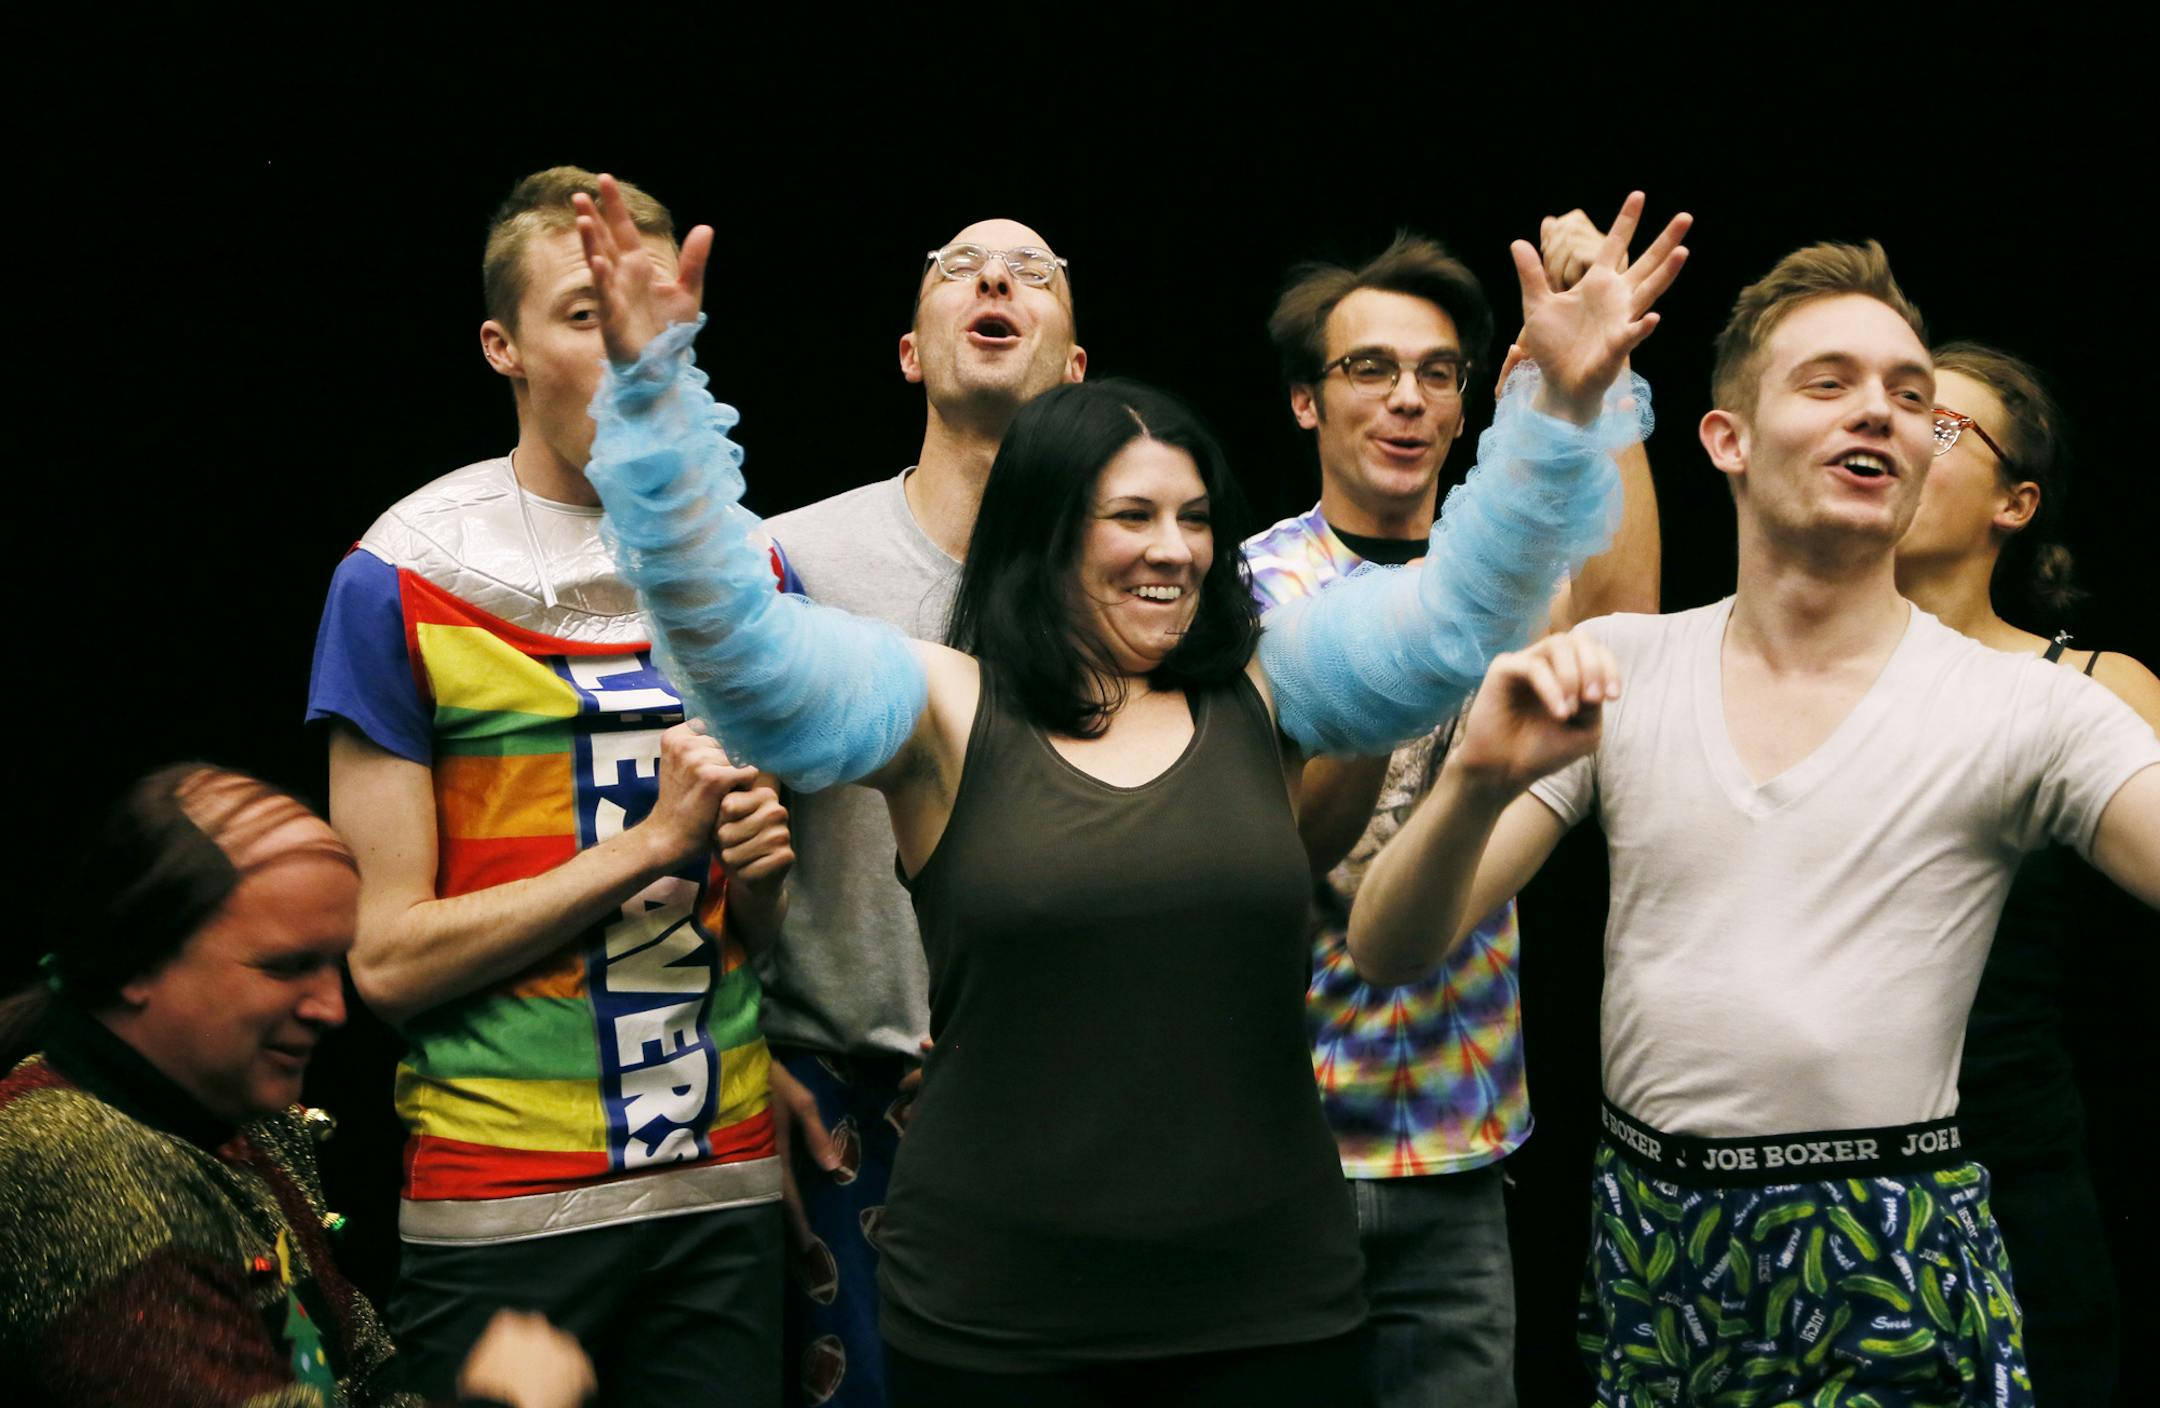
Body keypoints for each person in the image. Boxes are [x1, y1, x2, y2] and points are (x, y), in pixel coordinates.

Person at [568, 175, 1687, 1405]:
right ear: (1048, 530)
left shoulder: (1270, 684)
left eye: (1195, 518)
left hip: (1268, 1308)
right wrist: (651, 385)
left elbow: (1464, 608)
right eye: (1130, 516)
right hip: (999, 1322)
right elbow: (731, 642)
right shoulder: (943, 705)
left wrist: (1566, 398)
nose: (1174, 547)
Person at [1350, 243, 2160, 1406]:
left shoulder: (2029, 707)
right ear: (1728, 439)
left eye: (1911, 393)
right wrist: (1473, 783)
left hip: (1890, 1238)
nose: (1879, 407)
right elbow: (1387, 946)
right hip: (1655, 1241)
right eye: (1828, 382)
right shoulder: (1626, 666)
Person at [306, 167, 793, 1402]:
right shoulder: (401, 575)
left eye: (651, 312)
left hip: (721, 1190)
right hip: (506, 1204)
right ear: (501, 346)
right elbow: (389, 961)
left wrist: (764, 876)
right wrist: (647, 844)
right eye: (586, 311)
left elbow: (756, 935)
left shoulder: (749, 568)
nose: (629, 345)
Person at [1243, 213, 1669, 1408]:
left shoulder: (1518, 573)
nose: (1407, 401)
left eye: (1438, 374)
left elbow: (1625, 616)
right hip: (1276, 1148)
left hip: (1458, 1145)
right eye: (1368, 369)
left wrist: (1601, 375)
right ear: (1304, 404)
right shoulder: (1249, 584)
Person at [754, 216, 1083, 1407]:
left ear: (1076, 366)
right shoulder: (791, 560)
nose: (994, 279)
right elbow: (718, 825)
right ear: (909, 350)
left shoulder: (1128, 577)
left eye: (1033, 273)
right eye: (959, 268)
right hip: (839, 1105)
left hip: (1063, 1096)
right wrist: (742, 1046)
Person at [0, 765, 595, 1408]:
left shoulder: (241, 1124)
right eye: (287, 967)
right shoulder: (74, 1159)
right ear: (137, 961)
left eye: (331, 964)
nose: (331, 1009)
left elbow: (356, 1372)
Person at [1893, 341, 2160, 1405]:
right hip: (1814, 1190)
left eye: (1942, 423)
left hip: (2014, 1182)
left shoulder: (2095, 686)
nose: (1903, 432)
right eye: (1893, 408)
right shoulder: (1775, 663)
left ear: (2016, 502)